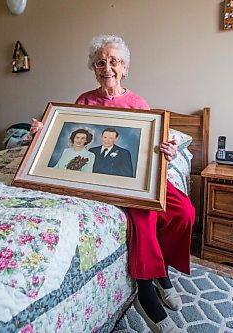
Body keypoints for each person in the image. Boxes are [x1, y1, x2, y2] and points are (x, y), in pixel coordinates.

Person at [31, 35, 192, 333]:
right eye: (101, 62)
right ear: (94, 68)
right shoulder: (84, 100)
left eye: (114, 61)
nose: (108, 67)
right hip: (102, 178)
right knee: (143, 216)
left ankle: (163, 272)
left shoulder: (139, 103)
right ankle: (146, 292)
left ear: (125, 68)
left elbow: (152, 149)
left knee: (184, 212)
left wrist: (167, 152)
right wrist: (44, 133)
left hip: (139, 175)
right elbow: (71, 140)